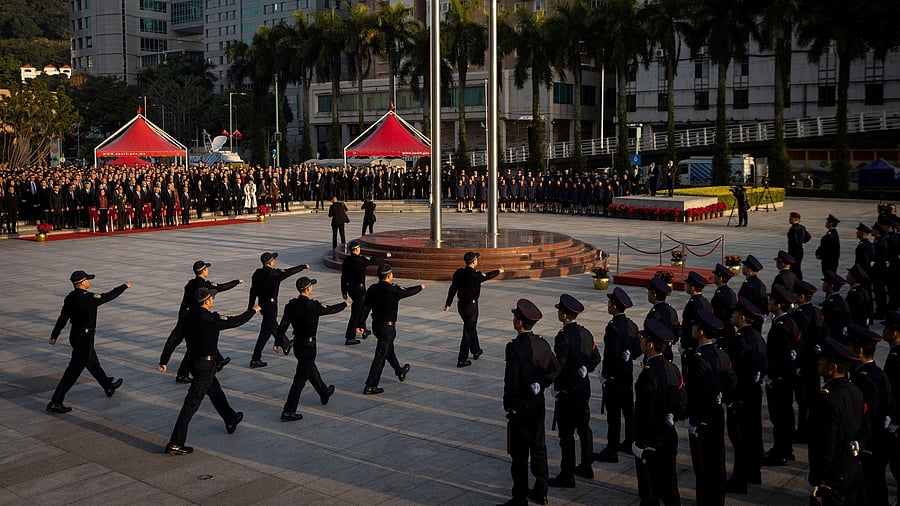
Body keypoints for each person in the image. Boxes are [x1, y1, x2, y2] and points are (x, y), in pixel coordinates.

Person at [162, 287, 259, 455]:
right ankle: (175, 443)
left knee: (215, 390)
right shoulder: (211, 318)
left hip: (194, 364)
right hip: (204, 366)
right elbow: (235, 321)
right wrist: (252, 310)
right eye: (212, 298)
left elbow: (173, 339)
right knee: (191, 404)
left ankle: (230, 418)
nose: (213, 300)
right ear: (207, 301)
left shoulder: (186, 317)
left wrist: (164, 361)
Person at [499, 299, 560, 506]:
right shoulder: (542, 343)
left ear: (519, 322)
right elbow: (555, 368)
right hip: (537, 404)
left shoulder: (515, 348)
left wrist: (507, 404)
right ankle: (542, 492)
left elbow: (511, 380)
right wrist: (541, 384)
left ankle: (519, 497)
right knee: (539, 448)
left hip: (520, 407)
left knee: (519, 455)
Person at [46, 271, 130, 414]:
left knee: (91, 362)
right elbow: (108, 296)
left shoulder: (70, 298)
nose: (89, 282)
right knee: (73, 371)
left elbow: (63, 318)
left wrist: (55, 335)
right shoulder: (88, 298)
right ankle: (55, 402)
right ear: (83, 282)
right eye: (88, 280)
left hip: (76, 335)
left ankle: (107, 385)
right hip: (84, 338)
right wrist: (124, 286)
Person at [275, 277, 349, 422]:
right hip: (308, 346)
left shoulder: (291, 305)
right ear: (308, 289)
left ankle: (324, 392)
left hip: (297, 344)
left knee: (310, 369)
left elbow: (283, 324)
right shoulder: (313, 306)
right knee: (300, 379)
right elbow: (330, 309)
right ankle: (288, 411)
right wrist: (344, 304)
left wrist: (278, 341)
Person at [684, 309, 737, 505]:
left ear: (700, 332)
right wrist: (721, 399)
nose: (692, 328)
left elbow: (697, 395)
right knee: (717, 461)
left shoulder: (698, 360)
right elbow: (732, 382)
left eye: (695, 326)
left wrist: (694, 420)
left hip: (703, 419)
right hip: (717, 413)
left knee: (703, 465)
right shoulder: (722, 355)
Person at [632, 319, 687, 506]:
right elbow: (682, 397)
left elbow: (643, 412)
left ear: (650, 345)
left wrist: (639, 442)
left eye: (643, 339)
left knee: (649, 491)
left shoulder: (648, 375)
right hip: (668, 436)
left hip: (652, 441)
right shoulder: (673, 368)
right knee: (670, 487)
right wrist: (673, 414)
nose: (640, 341)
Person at [159, 260, 242, 384]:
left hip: (186, 317)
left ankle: (217, 361)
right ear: (203, 271)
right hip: (198, 320)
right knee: (197, 346)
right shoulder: (205, 286)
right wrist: (237, 282)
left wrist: (163, 361)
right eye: (206, 268)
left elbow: (172, 340)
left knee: (183, 342)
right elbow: (221, 287)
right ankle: (183, 374)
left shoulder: (189, 284)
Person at [548, 294, 601, 487]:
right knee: (584, 428)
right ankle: (587, 465)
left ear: (564, 315)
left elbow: (559, 366)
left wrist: (556, 387)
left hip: (568, 392)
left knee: (566, 435)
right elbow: (596, 356)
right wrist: (588, 367)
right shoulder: (586, 333)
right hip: (583, 388)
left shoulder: (563, 337)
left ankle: (567, 474)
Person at [806, 337, 864, 505]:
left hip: (831, 476)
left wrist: (815, 479)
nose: (818, 362)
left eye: (822, 360)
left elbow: (825, 444)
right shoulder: (855, 390)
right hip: (850, 467)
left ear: (833, 367)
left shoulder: (826, 399)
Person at [722, 298, 767, 494]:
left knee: (740, 438)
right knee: (754, 434)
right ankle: (754, 472)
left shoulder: (739, 340)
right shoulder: (757, 336)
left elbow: (734, 372)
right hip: (754, 392)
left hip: (741, 395)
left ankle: (739, 480)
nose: (731, 316)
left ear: (742, 317)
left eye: (734, 314)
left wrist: (729, 397)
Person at [361, 264, 424, 395]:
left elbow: (365, 308)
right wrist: (420, 287)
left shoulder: (372, 289)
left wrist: (360, 324)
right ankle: (370, 386)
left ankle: (399, 371)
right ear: (389, 276)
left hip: (376, 326)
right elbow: (407, 291)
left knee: (388, 350)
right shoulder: (393, 290)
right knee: (380, 356)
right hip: (387, 328)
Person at [846, 323, 890, 505]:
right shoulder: (876, 372)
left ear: (859, 351)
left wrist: (860, 442)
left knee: (870, 487)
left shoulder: (864, 378)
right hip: (878, 440)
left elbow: (866, 414)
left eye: (849, 347)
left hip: (870, 443)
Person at [594, 288, 639, 464]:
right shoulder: (631, 324)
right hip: (627, 374)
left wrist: (605, 374)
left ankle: (611, 450)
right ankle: (629, 441)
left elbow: (611, 355)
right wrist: (630, 354)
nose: (608, 305)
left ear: (614, 306)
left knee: (613, 415)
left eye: (609, 303)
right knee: (628, 411)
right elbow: (637, 347)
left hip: (614, 378)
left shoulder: (613, 328)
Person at [248, 252, 309, 368]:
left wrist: (250, 306)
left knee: (271, 325)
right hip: (271, 305)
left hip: (262, 304)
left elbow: (253, 291)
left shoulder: (257, 273)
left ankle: (285, 344)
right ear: (271, 262)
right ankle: (255, 358)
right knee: (265, 332)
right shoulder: (275, 274)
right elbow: (290, 271)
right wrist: (303, 267)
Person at [444, 251, 503, 367]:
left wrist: (448, 304)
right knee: (468, 331)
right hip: (471, 306)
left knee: (470, 327)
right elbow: (488, 276)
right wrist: (499, 271)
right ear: (474, 262)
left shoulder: (458, 273)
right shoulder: (475, 275)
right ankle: (462, 359)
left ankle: (476, 350)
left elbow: (453, 289)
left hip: (461, 305)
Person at [762, 284, 799, 466]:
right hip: (785, 378)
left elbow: (785, 356)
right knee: (786, 415)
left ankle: (780, 452)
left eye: (772, 300)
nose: (769, 302)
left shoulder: (781, 327)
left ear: (778, 305)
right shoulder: (788, 322)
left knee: (780, 416)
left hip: (780, 380)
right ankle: (786, 448)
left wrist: (773, 376)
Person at [791, 280, 824, 444]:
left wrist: (797, 362)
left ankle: (804, 430)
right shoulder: (816, 311)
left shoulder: (800, 315)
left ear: (802, 296)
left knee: (803, 400)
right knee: (812, 397)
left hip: (804, 363)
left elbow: (799, 340)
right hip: (814, 362)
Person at [644, 277, 681, 362]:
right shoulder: (671, 310)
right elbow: (677, 329)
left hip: (655, 353)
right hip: (668, 352)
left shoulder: (654, 314)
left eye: (649, 292)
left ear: (654, 295)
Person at [680, 271, 712, 356]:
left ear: (692, 288)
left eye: (687, 284)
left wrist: (685, 344)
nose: (685, 286)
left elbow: (691, 325)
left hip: (693, 344)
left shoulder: (695, 303)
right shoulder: (704, 301)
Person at [737, 255, 767, 333]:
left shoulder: (748, 285)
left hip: (749, 320)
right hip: (758, 319)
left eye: (744, 266)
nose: (742, 268)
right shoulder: (760, 283)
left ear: (749, 269)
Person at [821, 270, 851, 341]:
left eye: (825, 282)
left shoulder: (831, 304)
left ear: (831, 286)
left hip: (833, 337)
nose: (823, 284)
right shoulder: (840, 300)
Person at [710, 264, 737, 341]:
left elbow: (720, 313)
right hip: (728, 328)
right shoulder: (730, 292)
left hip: (722, 330)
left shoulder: (720, 294)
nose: (713, 277)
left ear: (720, 278)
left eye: (715, 275)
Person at [787, 211, 812, 280]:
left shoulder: (794, 229)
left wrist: (798, 243)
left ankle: (797, 281)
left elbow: (795, 241)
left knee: (794, 268)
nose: (789, 219)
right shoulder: (801, 227)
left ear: (795, 219)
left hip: (794, 251)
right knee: (797, 267)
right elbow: (808, 237)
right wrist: (802, 242)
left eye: (790, 218)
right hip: (800, 250)